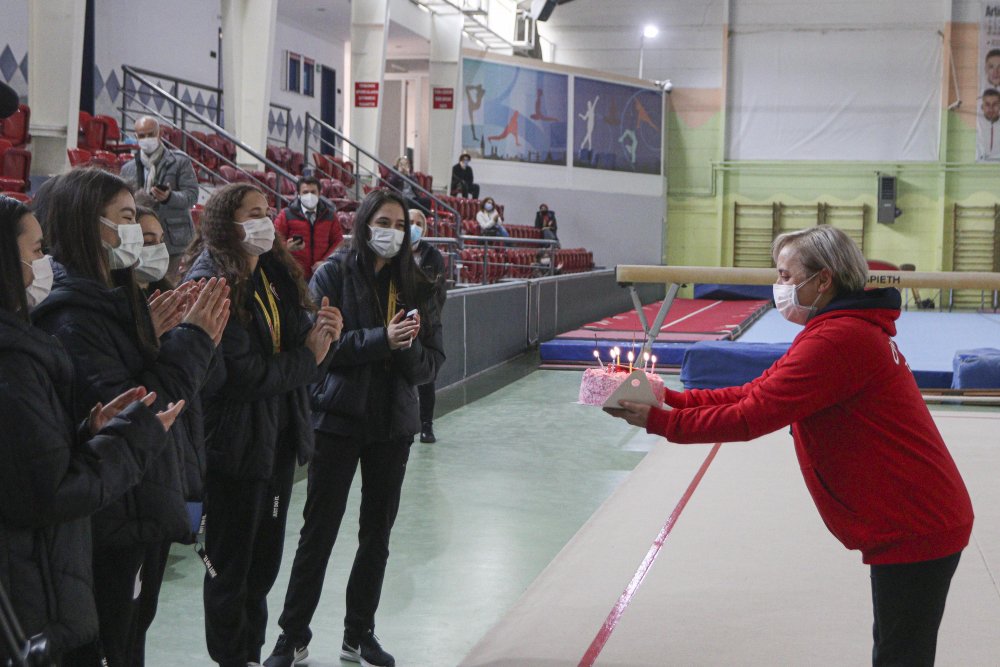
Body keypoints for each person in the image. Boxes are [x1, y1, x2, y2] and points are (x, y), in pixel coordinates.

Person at [606, 225, 974, 667]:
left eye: (785, 276)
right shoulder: (839, 329)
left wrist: (661, 422)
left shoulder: (838, 340)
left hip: (917, 520)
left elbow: (749, 417)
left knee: (900, 655)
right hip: (914, 515)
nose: (778, 287)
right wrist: (671, 399)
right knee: (898, 648)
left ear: (823, 280)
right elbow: (754, 391)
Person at [31, 168, 230, 667]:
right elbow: (137, 411)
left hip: (138, 503)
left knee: (133, 635)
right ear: (86, 224)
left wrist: (154, 341)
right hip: (113, 514)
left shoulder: (114, 301)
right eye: (125, 220)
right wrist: (193, 342)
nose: (137, 236)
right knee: (114, 643)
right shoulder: (72, 317)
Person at [0, 195, 185, 665]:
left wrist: (84, 430)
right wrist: (135, 439)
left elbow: (29, 458)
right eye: (37, 251)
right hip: (29, 578)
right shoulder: (20, 357)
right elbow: (52, 491)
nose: (45, 263)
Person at [263, 190, 444, 667]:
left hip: (393, 425)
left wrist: (404, 349)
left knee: (376, 536)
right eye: (383, 221)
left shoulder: (420, 283)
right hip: (338, 420)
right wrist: (381, 340)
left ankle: (359, 633)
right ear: (364, 223)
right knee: (317, 532)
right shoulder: (333, 273)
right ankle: (292, 636)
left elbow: (430, 367)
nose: (393, 231)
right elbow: (325, 349)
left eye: (401, 224)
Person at [184, 183, 342, 667]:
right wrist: (309, 357)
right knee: (230, 570)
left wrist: (322, 330)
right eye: (254, 213)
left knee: (262, 566)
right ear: (225, 224)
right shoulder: (212, 281)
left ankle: (249, 654)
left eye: (267, 211)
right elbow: (241, 376)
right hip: (232, 447)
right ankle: (232, 658)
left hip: (273, 440)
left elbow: (293, 340)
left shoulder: (270, 273)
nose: (266, 221)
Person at [119, 116, 200, 282]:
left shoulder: (179, 161)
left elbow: (191, 195)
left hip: (174, 239)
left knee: (170, 286)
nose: (146, 139)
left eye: (150, 134)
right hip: (141, 237)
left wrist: (169, 197)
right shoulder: (128, 168)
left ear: (159, 133)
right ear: (135, 136)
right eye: (141, 136)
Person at [409, 208, 447, 443]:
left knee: (426, 378)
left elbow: (438, 292)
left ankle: (426, 425)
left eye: (418, 223)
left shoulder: (433, 256)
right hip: (399, 321)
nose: (413, 227)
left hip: (426, 326)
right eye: (409, 222)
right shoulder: (394, 254)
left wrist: (427, 319)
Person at [274, 176, 343, 281]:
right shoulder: (286, 214)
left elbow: (338, 241)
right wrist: (286, 247)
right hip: (293, 273)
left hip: (321, 274)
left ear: (319, 194)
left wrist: (325, 261)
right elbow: (274, 240)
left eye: (313, 192)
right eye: (305, 192)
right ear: (299, 194)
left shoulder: (330, 216)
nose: (309, 195)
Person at [977, 89, 1000, 161]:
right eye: (987, 104)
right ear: (982, 106)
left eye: (995, 104)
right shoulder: (976, 125)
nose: (991, 109)